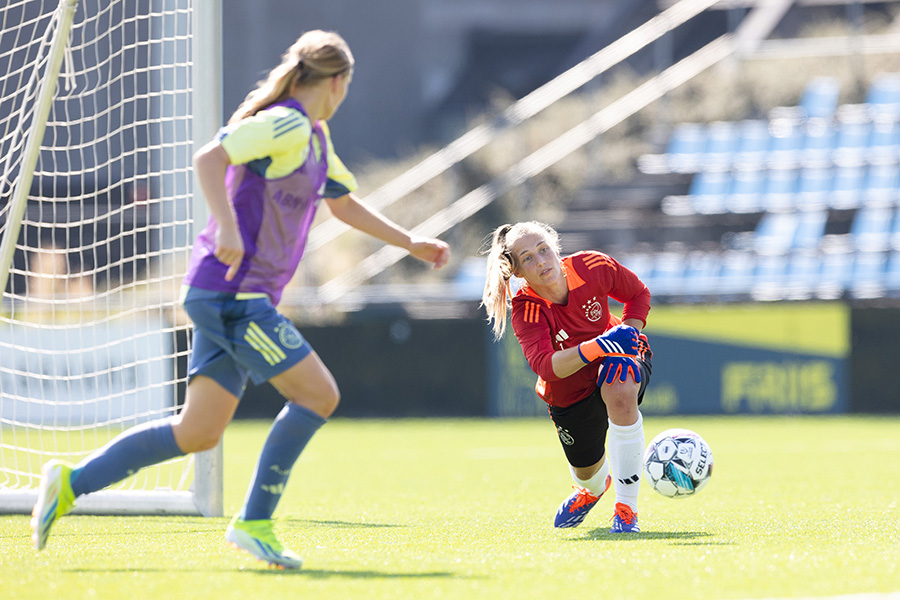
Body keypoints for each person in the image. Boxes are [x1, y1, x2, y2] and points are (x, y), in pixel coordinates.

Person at [31, 30, 451, 568]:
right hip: (233, 294)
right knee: (318, 396)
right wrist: (226, 227)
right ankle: (254, 522)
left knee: (198, 432)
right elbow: (209, 159)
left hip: (229, 295)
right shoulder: (285, 123)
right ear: (339, 82)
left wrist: (410, 242)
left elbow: (344, 205)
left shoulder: (316, 139)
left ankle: (69, 483)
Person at [481, 221, 651, 532]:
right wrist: (598, 346)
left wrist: (629, 333)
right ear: (517, 272)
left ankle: (627, 509)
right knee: (587, 473)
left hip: (616, 358)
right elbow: (545, 366)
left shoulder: (592, 265)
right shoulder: (526, 309)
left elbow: (638, 294)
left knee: (620, 385)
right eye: (528, 258)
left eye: (544, 250)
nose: (542, 261)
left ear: (556, 248)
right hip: (568, 393)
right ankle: (592, 488)